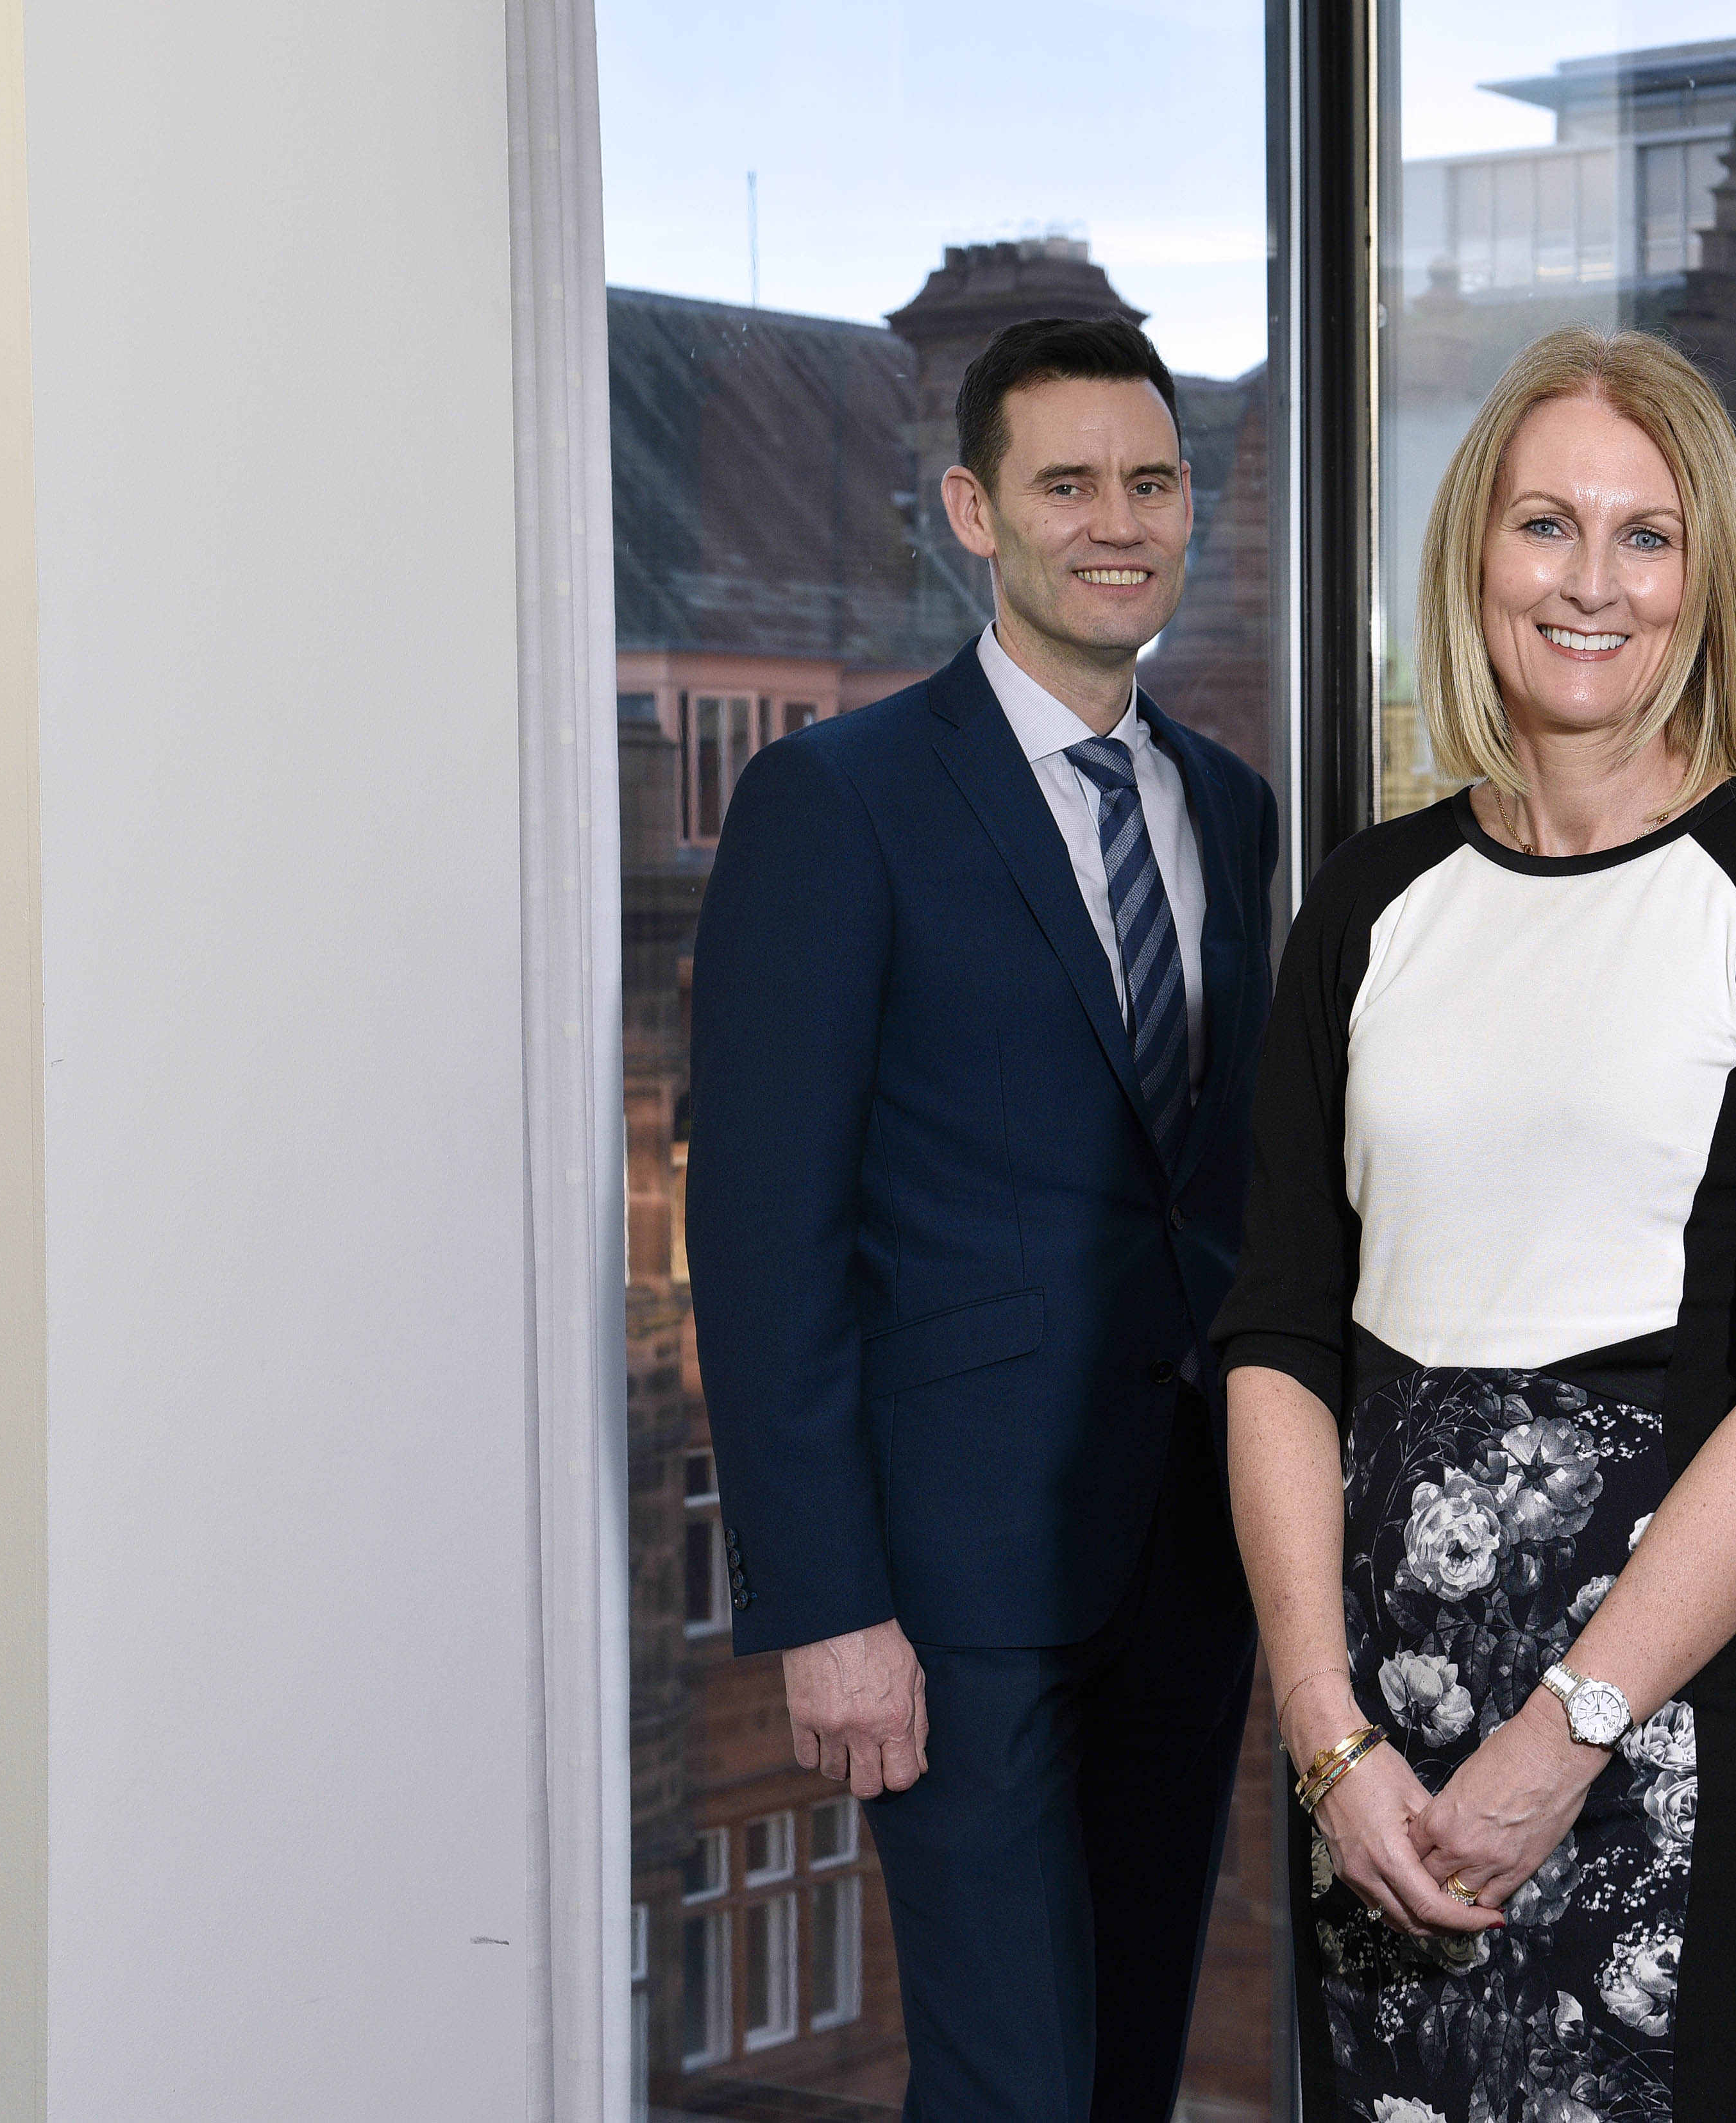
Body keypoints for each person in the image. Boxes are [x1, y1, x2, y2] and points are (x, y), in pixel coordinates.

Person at [1213, 326, 1736, 2123]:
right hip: (1372, 1764)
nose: (1592, 584)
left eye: (1645, 535)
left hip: (1655, 1736)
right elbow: (1280, 1335)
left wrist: (1561, 1736)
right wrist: (1322, 1737)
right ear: (1474, 560)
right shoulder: (1365, 904)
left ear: (1704, 580)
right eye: (1546, 526)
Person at [683, 316, 1277, 2122]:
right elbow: (763, 1236)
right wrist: (829, 1608)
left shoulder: (1233, 814)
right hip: (951, 1594)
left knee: (1123, 2072)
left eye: (1152, 481)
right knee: (1008, 2086)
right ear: (973, 509)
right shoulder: (836, 803)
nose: (1119, 521)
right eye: (1068, 482)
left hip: (1189, 1552)